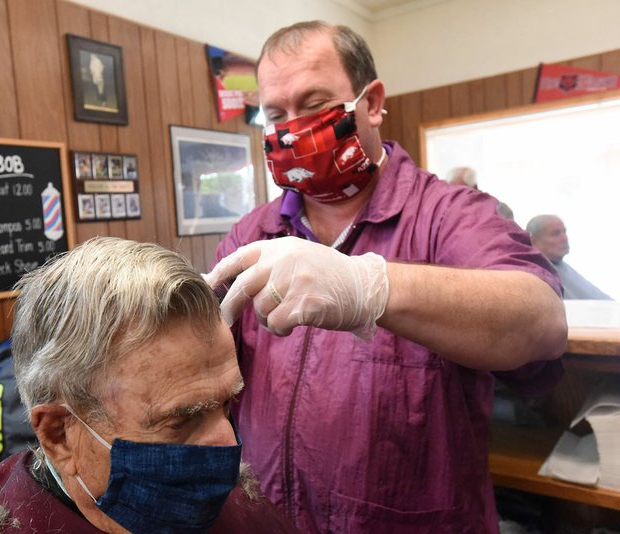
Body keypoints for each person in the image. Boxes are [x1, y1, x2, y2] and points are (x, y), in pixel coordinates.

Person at [205, 21, 567, 533]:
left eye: (313, 104)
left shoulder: (450, 215)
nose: (292, 127)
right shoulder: (251, 234)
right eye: (275, 114)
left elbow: (543, 322)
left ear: (371, 104)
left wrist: (370, 287)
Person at [0, 237, 297, 533]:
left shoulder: (239, 509)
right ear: (58, 435)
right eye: (181, 421)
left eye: (226, 405)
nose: (229, 450)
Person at [527, 214, 611, 300]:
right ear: (534, 241)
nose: (564, 238)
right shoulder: (536, 275)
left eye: (564, 232)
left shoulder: (563, 267)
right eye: (555, 234)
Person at [447, 166, 514, 220]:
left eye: (459, 191)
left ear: (474, 187)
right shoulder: (446, 213)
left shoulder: (499, 209)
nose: (453, 195)